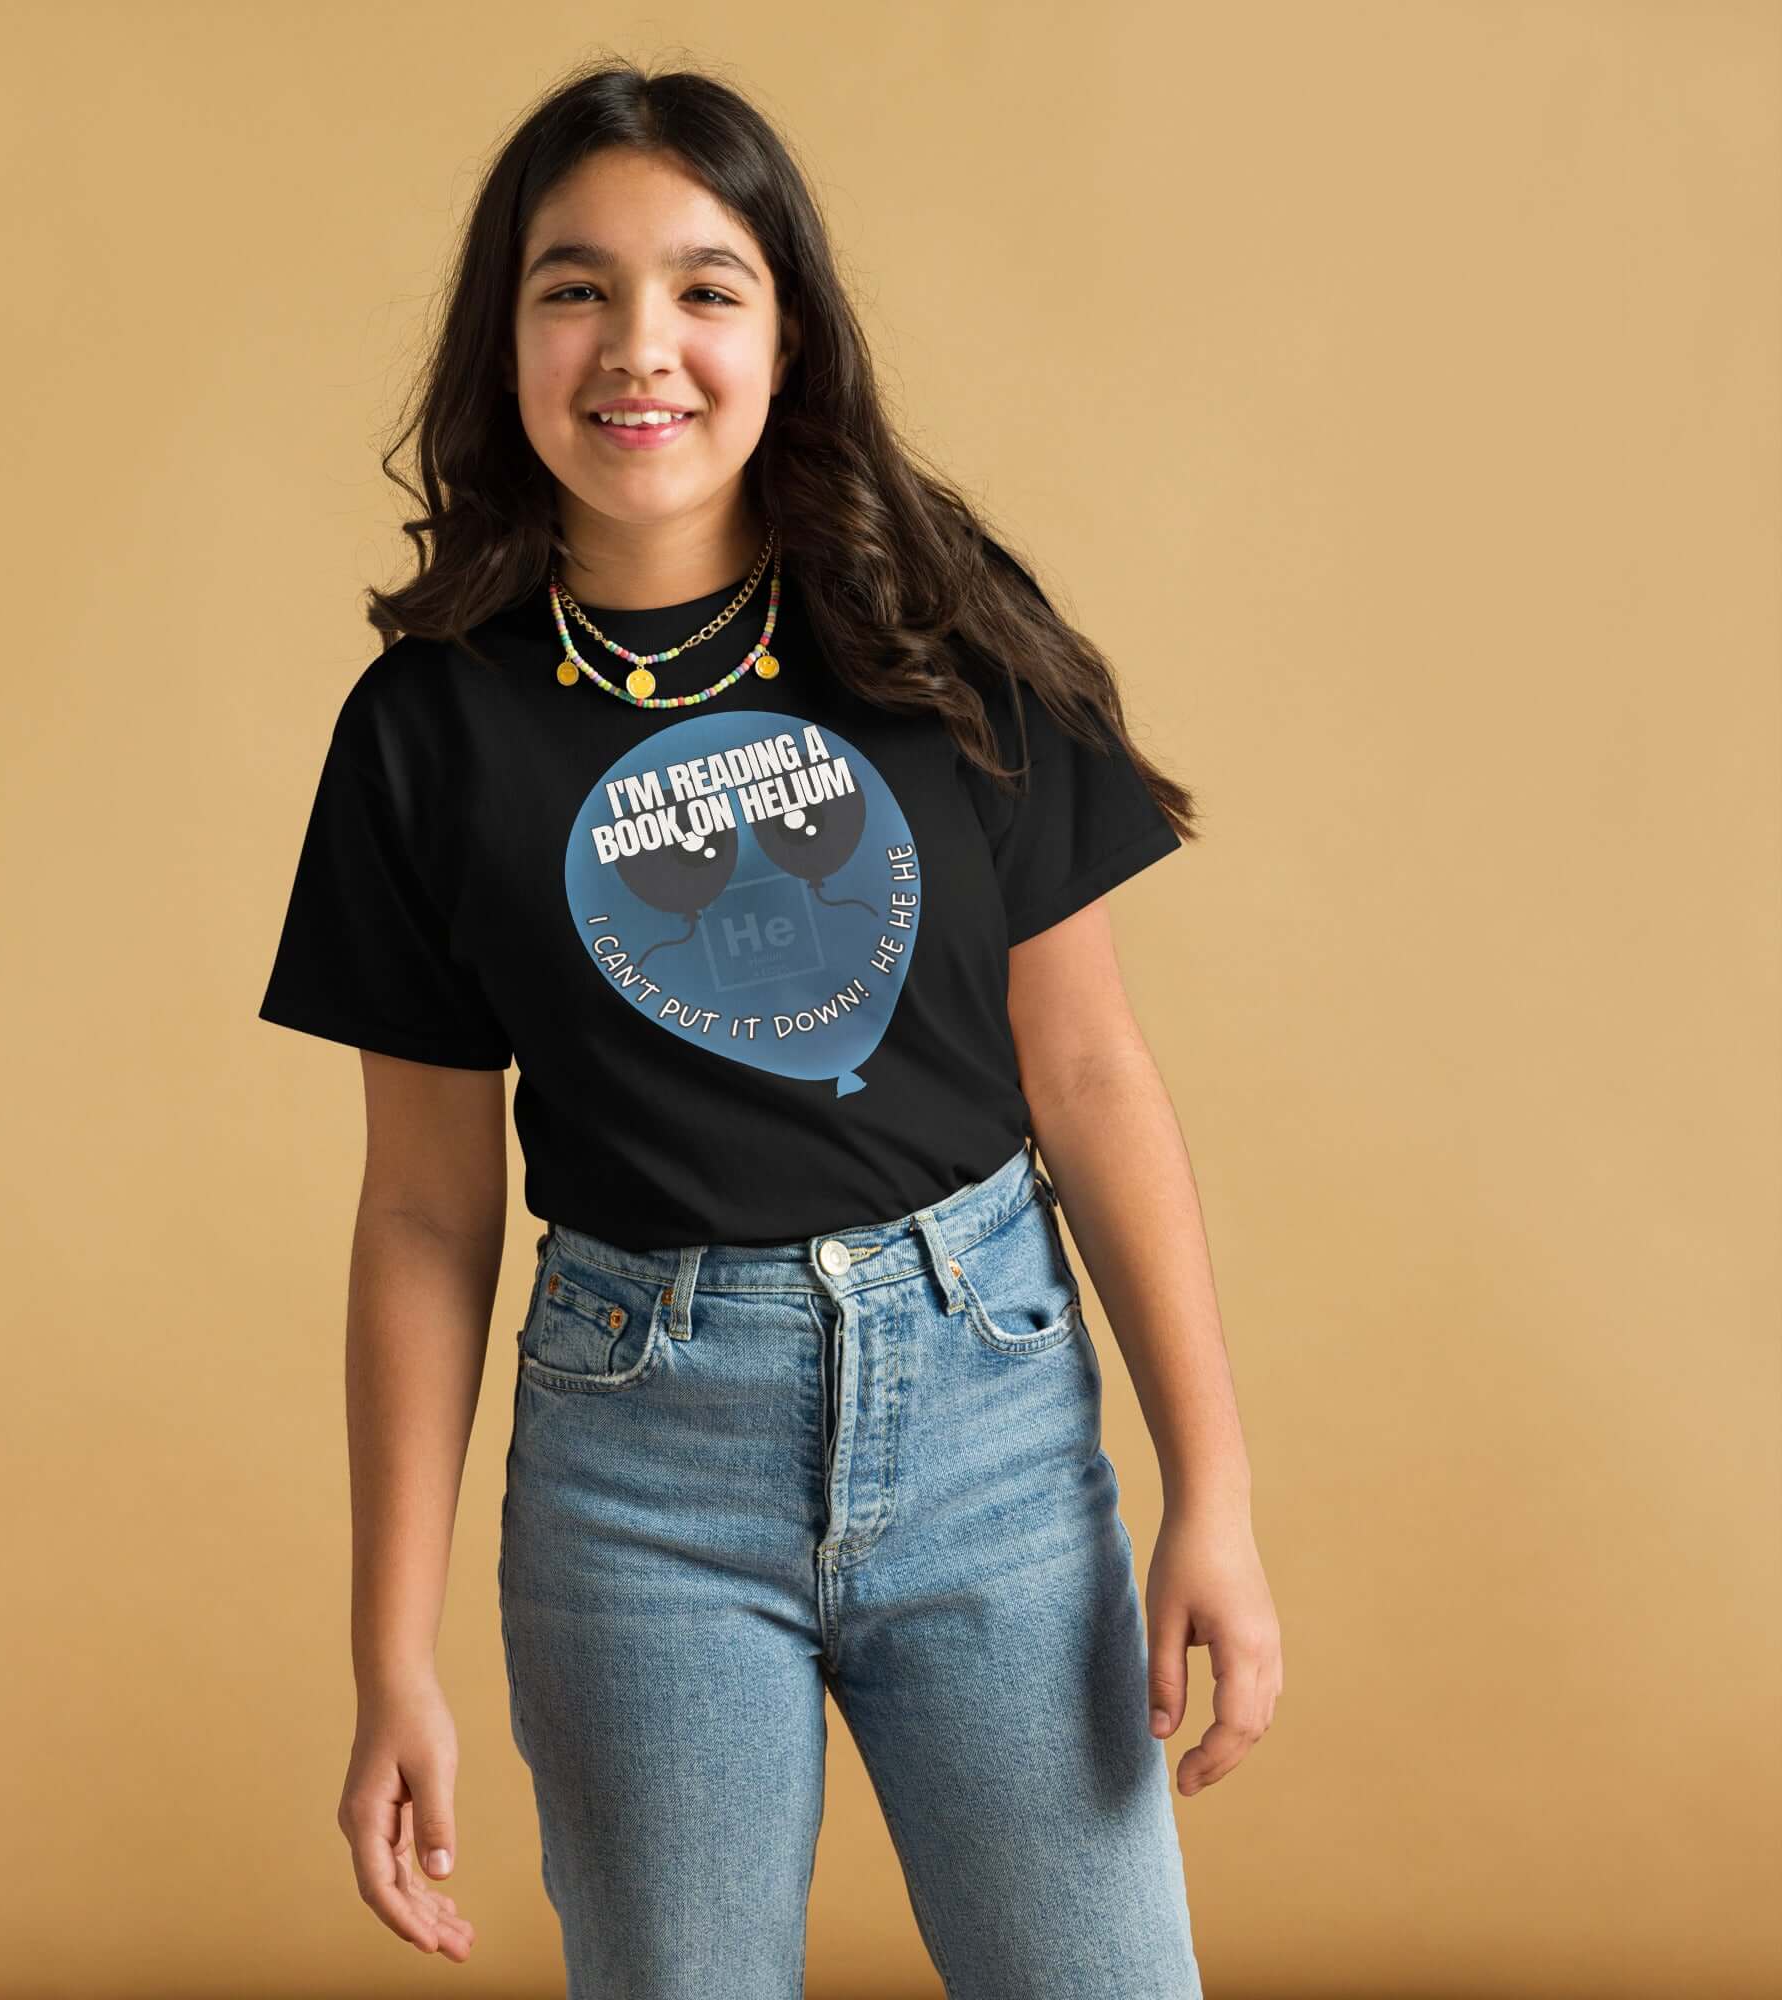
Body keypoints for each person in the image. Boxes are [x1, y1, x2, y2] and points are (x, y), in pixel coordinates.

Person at [256, 59, 1280, 1997]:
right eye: (575, 287)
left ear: (788, 333)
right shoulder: (424, 731)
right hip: (640, 1464)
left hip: (988, 1403)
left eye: (706, 287)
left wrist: (1209, 1489)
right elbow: (422, 1212)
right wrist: (389, 1650)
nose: (640, 344)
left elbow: (1088, 1076)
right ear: (506, 334)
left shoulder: (942, 627)